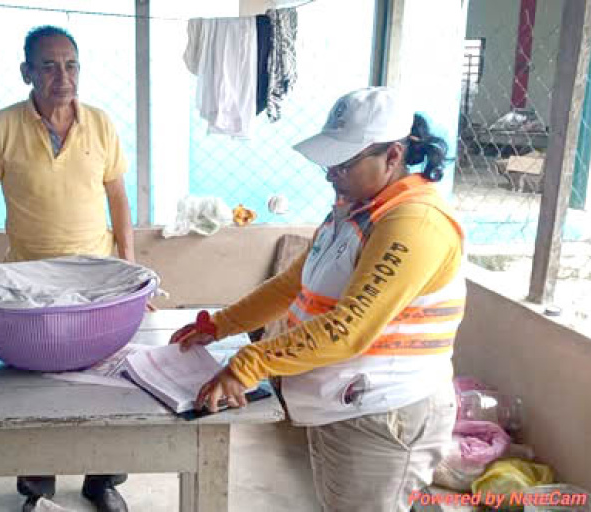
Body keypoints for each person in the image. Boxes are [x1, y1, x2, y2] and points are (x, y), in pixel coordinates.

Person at [171, 87, 464, 512]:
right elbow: (294, 283)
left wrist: (249, 363)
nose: (330, 175)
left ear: (393, 156)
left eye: (343, 164)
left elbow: (349, 329)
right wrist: (220, 325)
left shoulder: (415, 223)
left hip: (384, 413)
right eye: (329, 162)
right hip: (342, 405)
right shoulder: (357, 209)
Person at [0, 25, 133, 512]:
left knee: (106, 383)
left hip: (97, 281)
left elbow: (118, 199)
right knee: (32, 390)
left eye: (71, 65)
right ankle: (38, 489)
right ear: (27, 73)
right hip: (29, 284)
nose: (63, 77)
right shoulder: (2, 126)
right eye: (49, 66)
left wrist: (131, 267)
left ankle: (102, 480)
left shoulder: (101, 124)